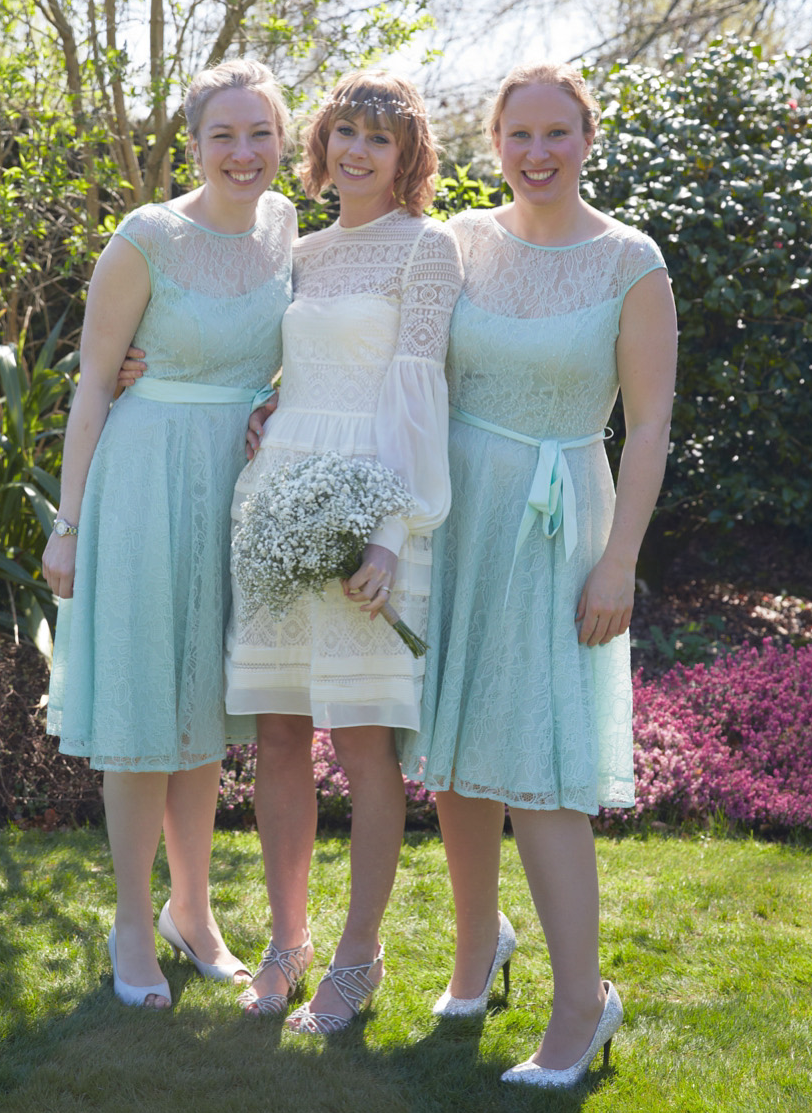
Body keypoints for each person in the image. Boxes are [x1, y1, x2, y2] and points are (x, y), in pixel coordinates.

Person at [400, 63, 677, 1087]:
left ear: (587, 137)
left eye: (556, 132)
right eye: (518, 133)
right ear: (494, 139)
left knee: (541, 767)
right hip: (457, 510)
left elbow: (646, 424)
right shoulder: (459, 243)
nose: (537, 152)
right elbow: (382, 352)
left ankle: (581, 1003)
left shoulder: (629, 260)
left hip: (561, 520)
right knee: (457, 749)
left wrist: (620, 561)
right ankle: (478, 952)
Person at [42, 60, 297, 1009]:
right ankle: (132, 923)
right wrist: (67, 527)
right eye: (223, 135)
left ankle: (198, 913)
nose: (243, 153)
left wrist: (277, 406)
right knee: (148, 714)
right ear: (193, 144)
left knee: (202, 712)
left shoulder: (284, 230)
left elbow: (294, 352)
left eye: (259, 133)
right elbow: (92, 385)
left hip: (238, 488)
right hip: (145, 482)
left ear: (281, 139)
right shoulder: (146, 237)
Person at [227, 70, 462, 1034]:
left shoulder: (429, 248)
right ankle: (288, 943)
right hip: (277, 498)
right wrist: (260, 406)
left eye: (380, 137)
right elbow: (270, 354)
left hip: (373, 505)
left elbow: (416, 390)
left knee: (366, 743)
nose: (358, 151)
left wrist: (391, 532)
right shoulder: (302, 253)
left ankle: (359, 958)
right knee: (280, 733)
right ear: (320, 147)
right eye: (344, 134)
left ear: (407, 156)